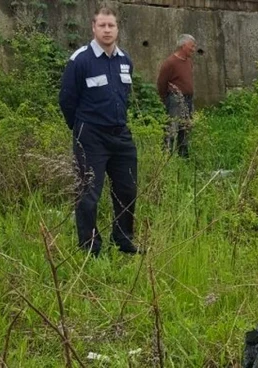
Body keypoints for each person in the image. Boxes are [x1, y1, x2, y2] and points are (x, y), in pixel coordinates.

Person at [59, 5, 142, 257]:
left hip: (121, 136)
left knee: (127, 188)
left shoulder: (124, 60)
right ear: (93, 28)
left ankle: (123, 239)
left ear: (117, 29)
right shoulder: (81, 60)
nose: (107, 30)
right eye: (102, 25)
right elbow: (67, 99)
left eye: (111, 25)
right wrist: (81, 129)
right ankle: (89, 247)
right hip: (91, 136)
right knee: (89, 193)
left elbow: (123, 95)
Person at [157, 34, 196, 158]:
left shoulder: (189, 61)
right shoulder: (170, 63)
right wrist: (165, 98)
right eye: (192, 46)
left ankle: (183, 156)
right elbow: (161, 82)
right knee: (171, 129)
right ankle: (166, 156)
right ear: (183, 46)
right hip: (175, 99)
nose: (193, 49)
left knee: (185, 128)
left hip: (188, 99)